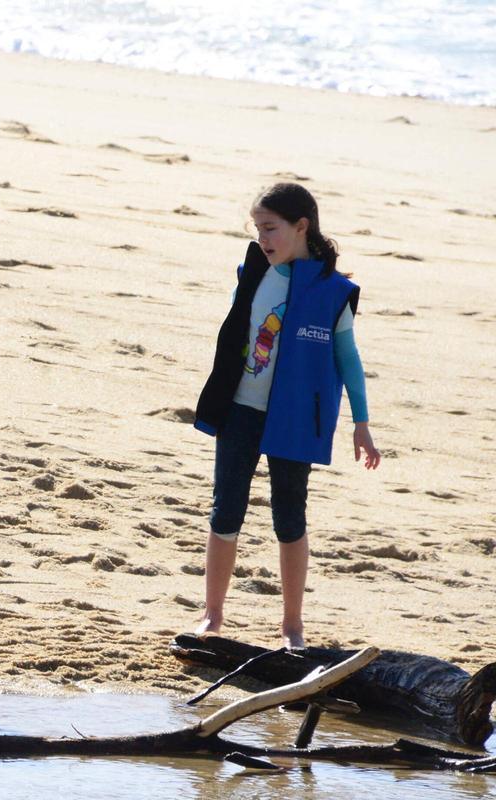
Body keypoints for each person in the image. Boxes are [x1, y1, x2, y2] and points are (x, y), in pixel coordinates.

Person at [192, 183, 381, 650]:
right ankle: (212, 616)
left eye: (271, 228)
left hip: (295, 418)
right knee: (225, 512)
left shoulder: (334, 291)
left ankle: (292, 626)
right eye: (257, 229)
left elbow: (348, 358)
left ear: (302, 227)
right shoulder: (254, 271)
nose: (263, 239)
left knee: (289, 519)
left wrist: (361, 422)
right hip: (240, 410)